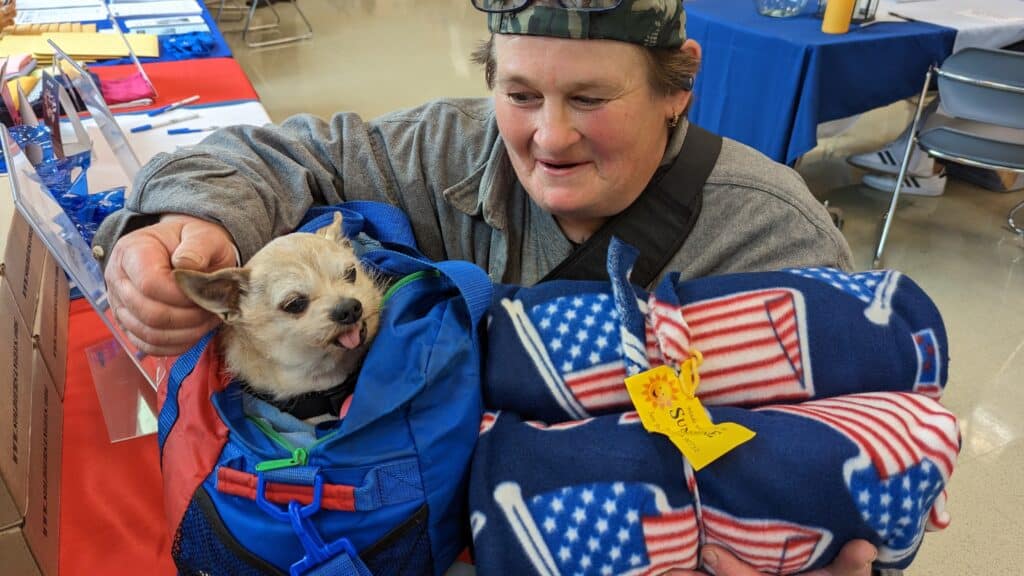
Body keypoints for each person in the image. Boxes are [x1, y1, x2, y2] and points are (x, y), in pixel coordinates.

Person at [94, 1, 874, 573]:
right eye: (521, 94)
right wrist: (182, 221)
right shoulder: (447, 149)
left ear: (678, 88)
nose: (549, 136)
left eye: (592, 99)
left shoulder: (768, 236)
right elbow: (266, 156)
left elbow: (857, 454)